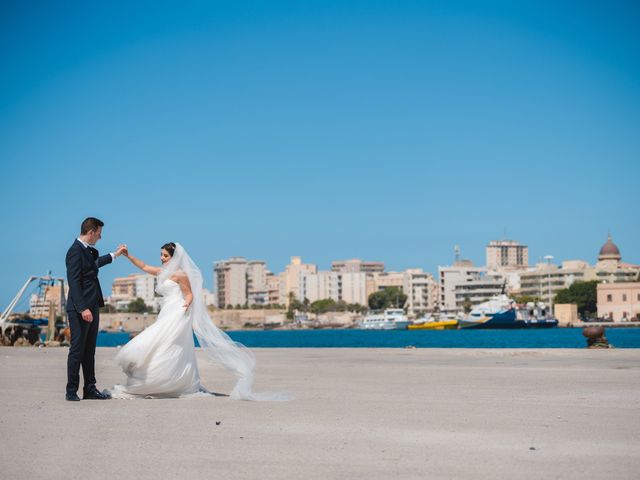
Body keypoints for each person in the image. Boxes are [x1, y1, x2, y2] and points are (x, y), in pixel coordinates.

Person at [110, 242, 290, 401]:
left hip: (178, 312)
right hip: (167, 312)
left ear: (174, 257)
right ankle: (157, 379)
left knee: (169, 345)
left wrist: (186, 305)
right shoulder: (163, 272)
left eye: (165, 255)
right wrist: (127, 255)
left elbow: (189, 294)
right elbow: (144, 266)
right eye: (161, 255)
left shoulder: (180, 274)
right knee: (161, 344)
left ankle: (166, 381)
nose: (162, 258)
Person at [65, 217, 126, 401]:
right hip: (79, 309)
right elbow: (74, 282)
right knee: (77, 349)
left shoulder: (89, 252)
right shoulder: (74, 251)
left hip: (93, 307)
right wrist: (83, 308)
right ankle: (71, 391)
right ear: (91, 232)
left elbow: (95, 263)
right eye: (99, 234)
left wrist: (115, 254)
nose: (100, 237)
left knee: (89, 350)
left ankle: (90, 389)